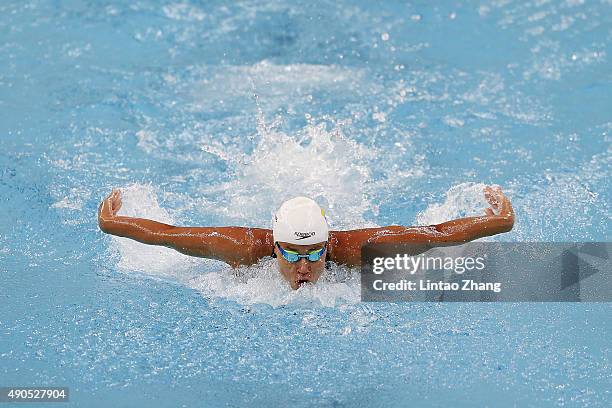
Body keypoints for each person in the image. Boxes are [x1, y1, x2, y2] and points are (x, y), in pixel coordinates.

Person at [98, 186, 514, 289]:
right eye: (293, 254)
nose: (304, 266)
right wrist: (112, 223)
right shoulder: (240, 247)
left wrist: (499, 221)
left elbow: (435, 235)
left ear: (328, 242)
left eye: (315, 252)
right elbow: (168, 235)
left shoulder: (353, 250)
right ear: (274, 246)